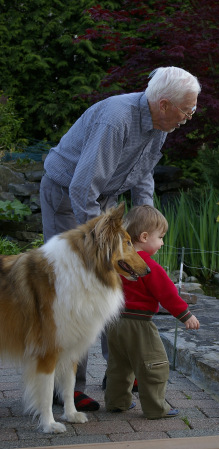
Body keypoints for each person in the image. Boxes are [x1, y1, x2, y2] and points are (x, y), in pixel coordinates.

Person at [40, 66, 201, 410]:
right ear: (163, 103)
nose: (189, 116)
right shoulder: (117, 120)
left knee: (117, 281)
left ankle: (118, 371)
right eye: (187, 110)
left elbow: (143, 178)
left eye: (192, 109)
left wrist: (148, 229)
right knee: (78, 289)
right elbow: (83, 187)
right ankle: (63, 386)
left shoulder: (160, 125)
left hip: (103, 199)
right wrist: (107, 244)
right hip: (68, 199)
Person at [105, 205, 200, 418]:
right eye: (160, 237)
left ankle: (115, 402)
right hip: (139, 324)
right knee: (154, 365)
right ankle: (156, 408)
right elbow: (167, 294)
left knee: (118, 365)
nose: (162, 243)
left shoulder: (116, 261)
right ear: (145, 236)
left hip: (114, 322)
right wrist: (186, 315)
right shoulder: (148, 265)